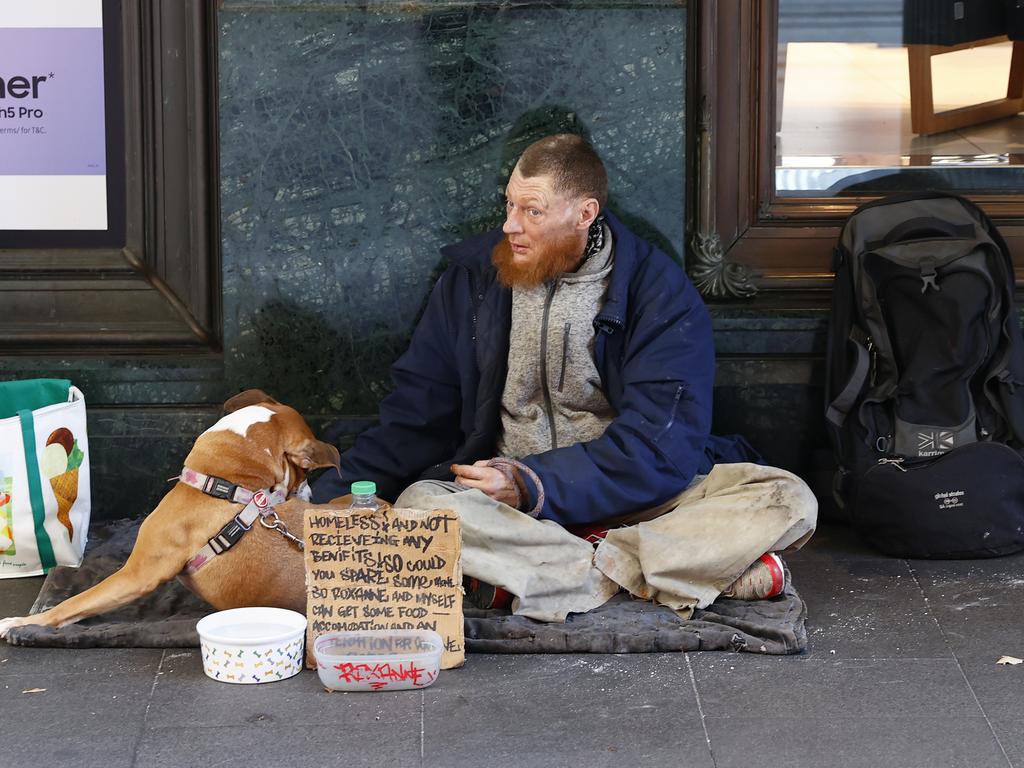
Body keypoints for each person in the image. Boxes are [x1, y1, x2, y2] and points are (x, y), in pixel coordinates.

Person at [312, 134, 817, 622]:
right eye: (509, 205)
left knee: (787, 497)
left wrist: (533, 484)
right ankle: (643, 569)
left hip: (643, 503)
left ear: (585, 214)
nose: (511, 225)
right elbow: (417, 412)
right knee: (421, 506)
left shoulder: (657, 292)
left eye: (532, 211)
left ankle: (571, 572)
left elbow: (662, 445)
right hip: (503, 506)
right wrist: (331, 492)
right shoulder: (472, 283)